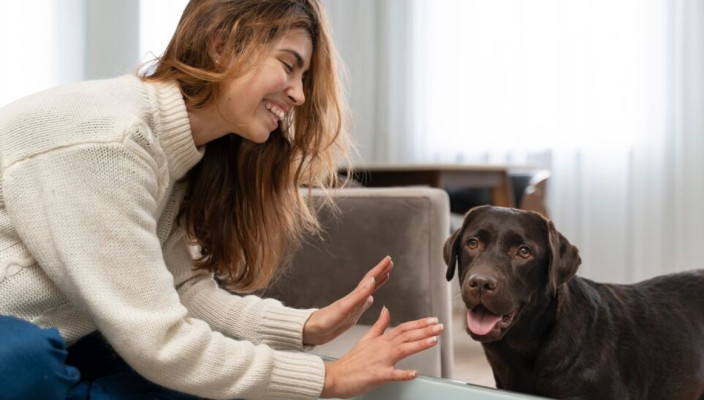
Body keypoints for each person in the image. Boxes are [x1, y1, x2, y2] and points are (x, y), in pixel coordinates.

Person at [0, 0, 444, 399]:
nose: (299, 94)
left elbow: (181, 289)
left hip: (65, 337)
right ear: (222, 43)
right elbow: (159, 339)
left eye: (303, 77)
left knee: (196, 379)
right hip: (23, 341)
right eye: (289, 65)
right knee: (33, 361)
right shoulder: (113, 143)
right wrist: (327, 379)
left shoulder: (179, 153)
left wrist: (306, 326)